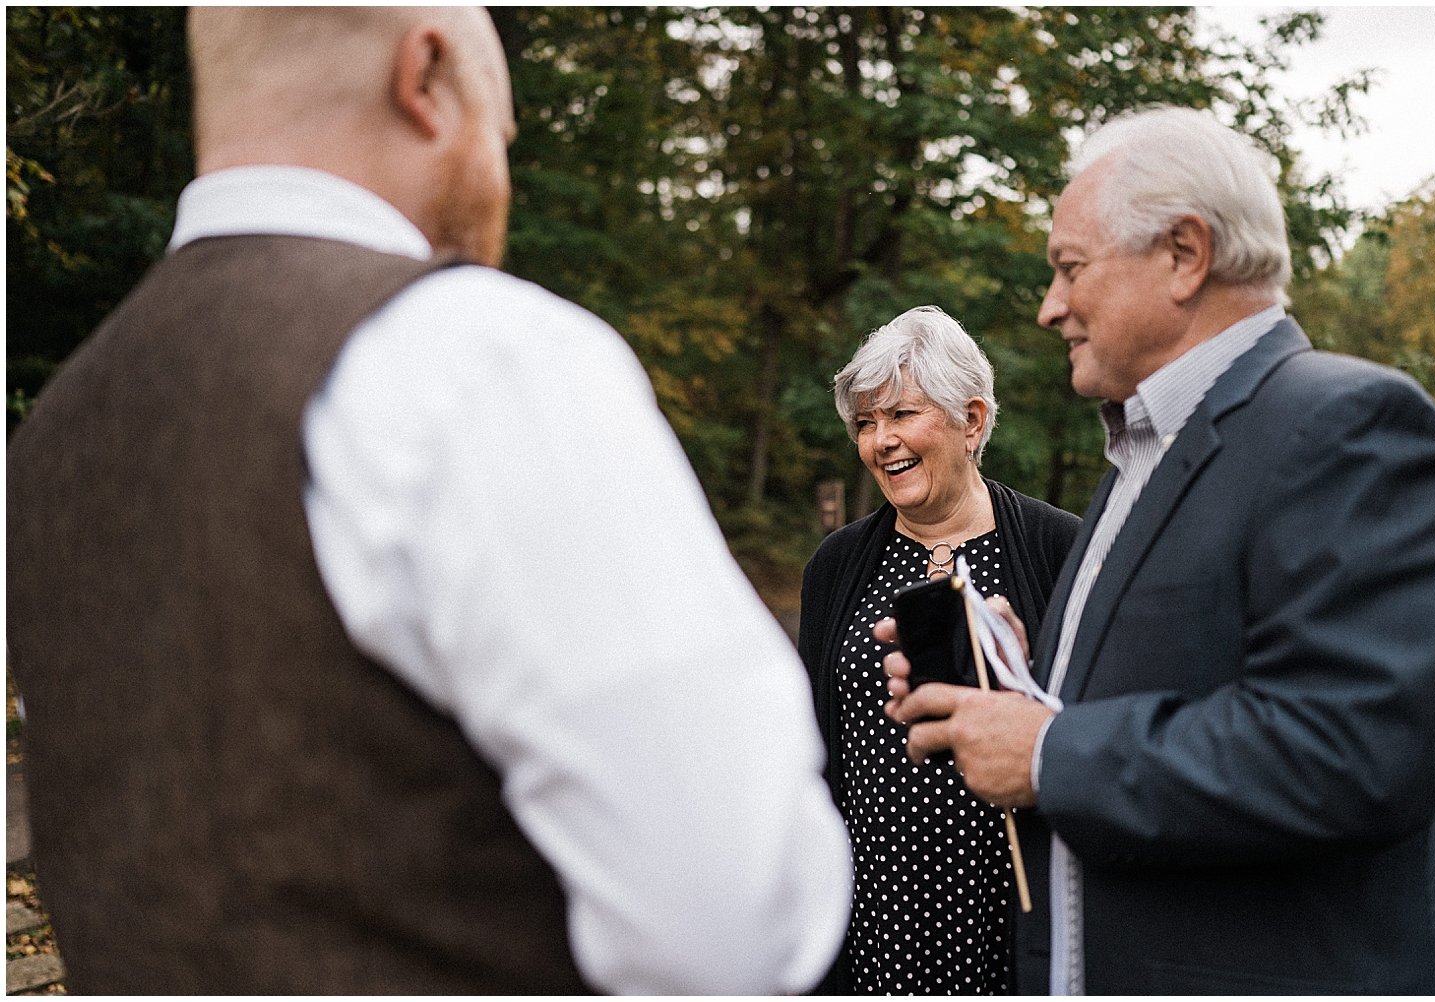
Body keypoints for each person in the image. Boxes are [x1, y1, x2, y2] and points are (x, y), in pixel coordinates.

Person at [6, 7, 851, 994]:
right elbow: (730, 923)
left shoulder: (58, 423)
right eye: (502, 135)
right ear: (427, 78)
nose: (501, 176)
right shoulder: (476, 359)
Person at [882, 106, 1435, 994]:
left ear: (1183, 255)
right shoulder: (1146, 454)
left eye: (1070, 268)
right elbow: (1185, 689)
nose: (1051, 308)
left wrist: (1051, 754)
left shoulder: (1348, 427)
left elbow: (1356, 747)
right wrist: (1011, 682)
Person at [797, 305, 1079, 993]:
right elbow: (810, 745)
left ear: (972, 421)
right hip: (871, 914)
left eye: (900, 415)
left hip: (1004, 913)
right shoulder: (837, 565)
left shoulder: (1058, 549)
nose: (879, 441)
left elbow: (1095, 722)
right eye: (865, 423)